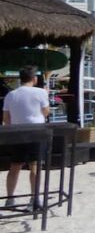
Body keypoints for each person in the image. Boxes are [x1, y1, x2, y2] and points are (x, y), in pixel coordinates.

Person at [3, 67, 50, 209]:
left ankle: (10, 199)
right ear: (34, 78)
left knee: (15, 166)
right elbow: (46, 113)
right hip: (36, 131)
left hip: (17, 132)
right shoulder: (41, 92)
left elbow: (6, 118)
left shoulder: (11, 95)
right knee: (35, 166)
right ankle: (34, 199)